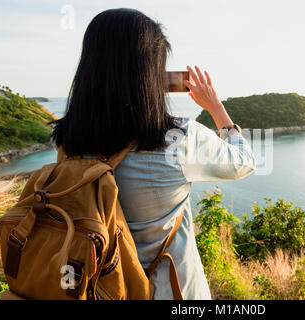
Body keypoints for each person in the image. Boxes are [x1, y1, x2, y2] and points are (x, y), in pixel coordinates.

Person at [51, 8, 255, 300]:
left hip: (98, 289)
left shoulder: (67, 141)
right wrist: (216, 109)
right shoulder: (177, 139)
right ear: (151, 71)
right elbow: (243, 163)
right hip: (169, 291)